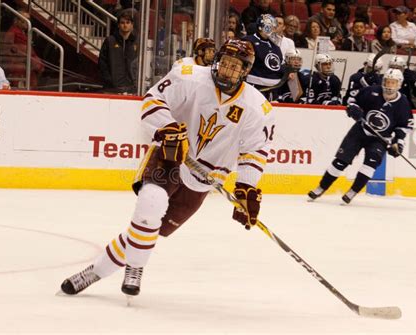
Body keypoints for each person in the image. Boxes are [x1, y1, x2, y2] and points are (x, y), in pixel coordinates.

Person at [59, 39, 275, 298]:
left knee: (149, 232)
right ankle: (135, 269)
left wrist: (246, 189)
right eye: (225, 63)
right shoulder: (189, 77)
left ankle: (94, 271)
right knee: (151, 205)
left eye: (234, 67)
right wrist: (167, 128)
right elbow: (153, 100)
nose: (227, 70)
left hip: (204, 179)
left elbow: (255, 150)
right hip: (171, 154)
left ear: (245, 71)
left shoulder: (257, 107)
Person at [308, 68, 414, 204]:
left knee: (370, 164)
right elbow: (351, 100)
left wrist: (398, 143)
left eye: (393, 83)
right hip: (360, 131)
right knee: (341, 161)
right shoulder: (371, 91)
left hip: (380, 139)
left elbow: (404, 126)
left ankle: (352, 192)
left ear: (399, 84)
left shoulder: (403, 103)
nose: (389, 85)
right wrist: (353, 108)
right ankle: (321, 188)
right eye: (387, 82)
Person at [243, 14, 285, 101]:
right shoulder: (249, 41)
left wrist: (286, 71)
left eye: (274, 27)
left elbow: (278, 65)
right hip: (255, 87)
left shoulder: (274, 45)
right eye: (270, 27)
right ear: (261, 27)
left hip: (273, 89)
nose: (273, 30)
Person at [98, 10, 137, 94]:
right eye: (122, 23)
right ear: (118, 25)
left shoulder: (136, 42)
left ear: (132, 25)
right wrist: (109, 80)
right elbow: (102, 63)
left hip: (131, 88)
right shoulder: (110, 41)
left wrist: (135, 82)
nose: (125, 25)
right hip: (111, 88)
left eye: (128, 22)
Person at [5, 10, 44, 89]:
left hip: (28, 64)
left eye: (28, 20)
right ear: (17, 20)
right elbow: (10, 49)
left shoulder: (23, 32)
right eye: (24, 20)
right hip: (19, 65)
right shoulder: (13, 32)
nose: (27, 22)